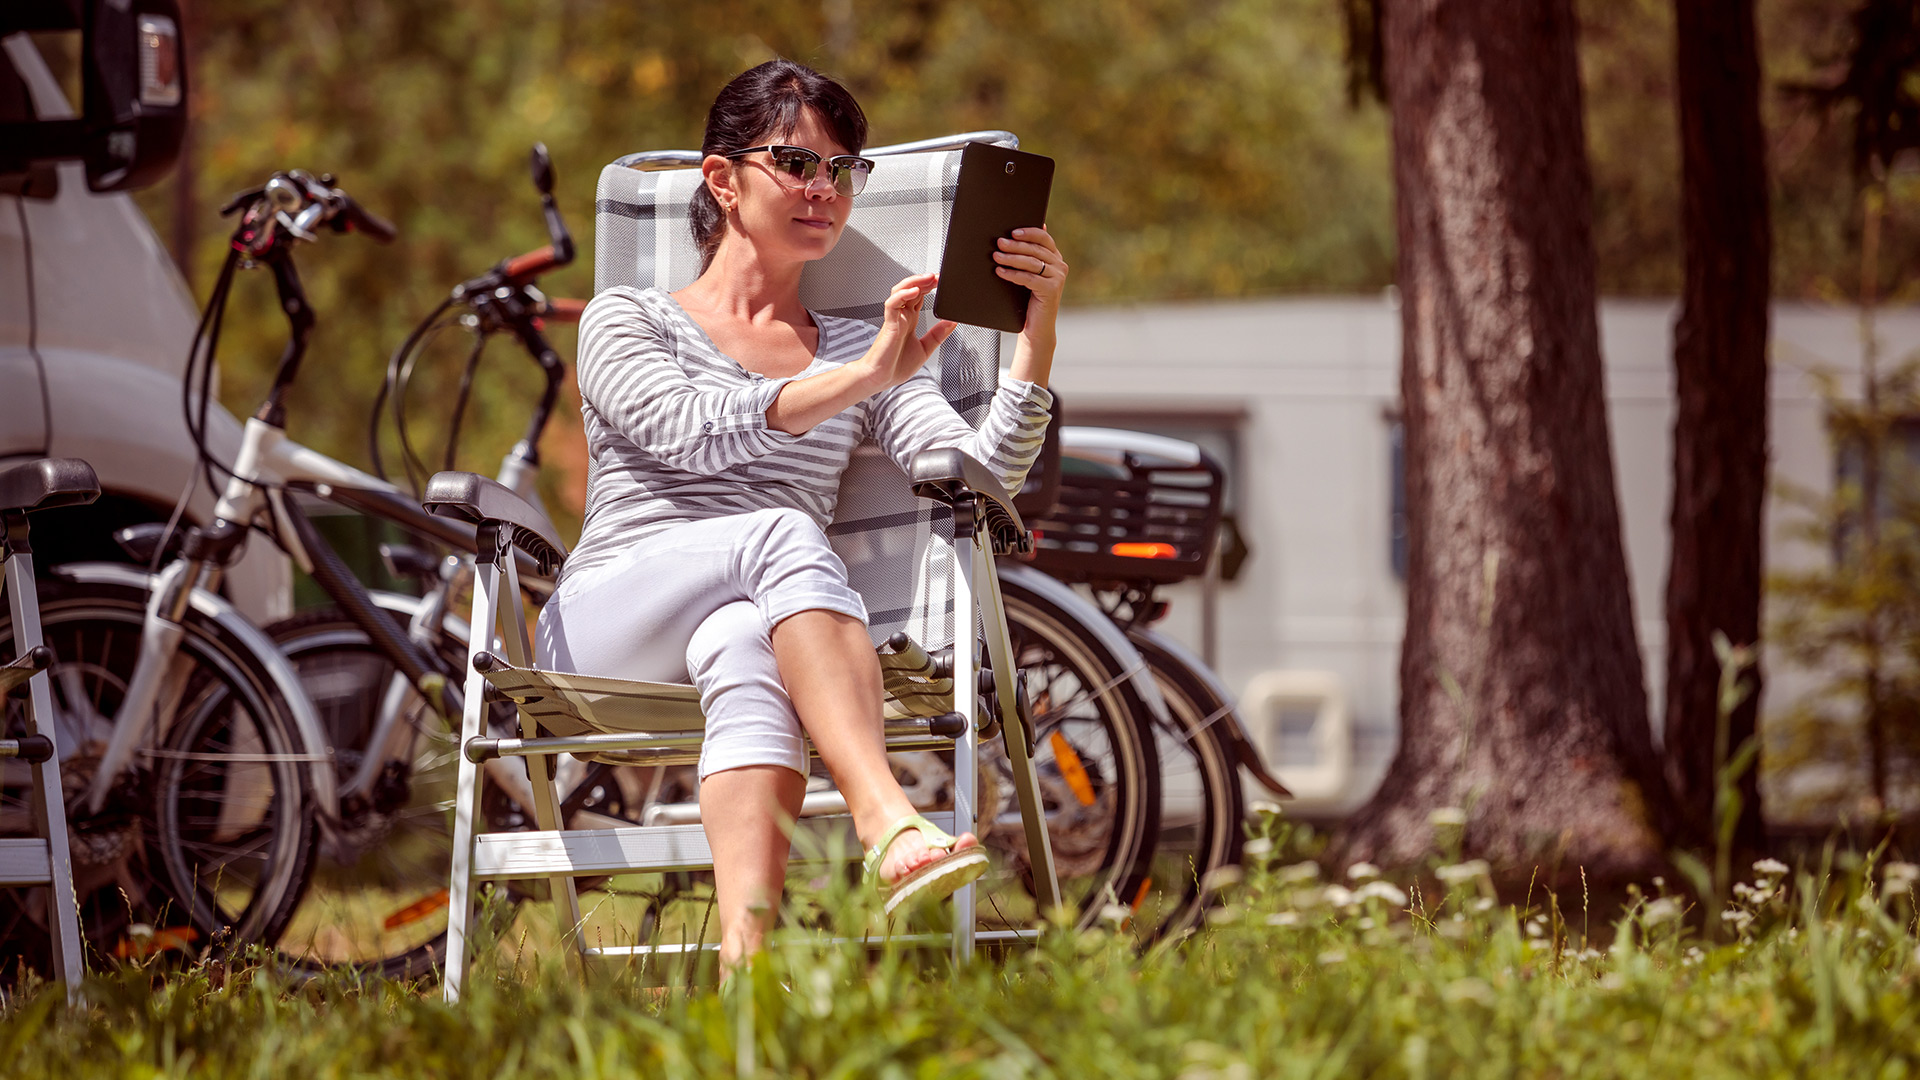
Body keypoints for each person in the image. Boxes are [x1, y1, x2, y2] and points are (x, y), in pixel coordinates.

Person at [536, 58, 1067, 969]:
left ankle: (747, 976)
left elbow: (975, 478)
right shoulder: (629, 319)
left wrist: (1038, 335)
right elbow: (692, 433)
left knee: (747, 639)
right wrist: (856, 382)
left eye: (843, 171)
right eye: (797, 163)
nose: (826, 189)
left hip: (752, 619)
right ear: (721, 179)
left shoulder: (868, 346)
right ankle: (885, 817)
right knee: (781, 530)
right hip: (608, 626)